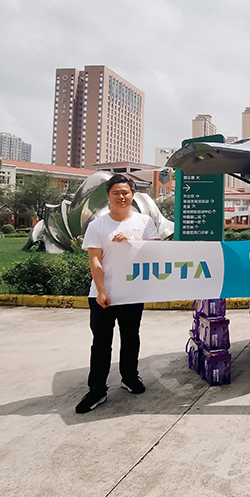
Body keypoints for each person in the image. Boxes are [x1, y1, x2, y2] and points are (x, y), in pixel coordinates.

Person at [76, 174, 160, 414]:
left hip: (132, 293)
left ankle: (130, 377)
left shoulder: (144, 222)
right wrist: (102, 291)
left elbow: (156, 249)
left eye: (125, 192)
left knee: (131, 337)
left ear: (133, 195)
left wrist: (132, 240)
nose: (121, 197)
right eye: (116, 193)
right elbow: (95, 261)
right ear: (108, 196)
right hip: (103, 294)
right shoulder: (98, 225)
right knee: (101, 342)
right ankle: (97, 389)